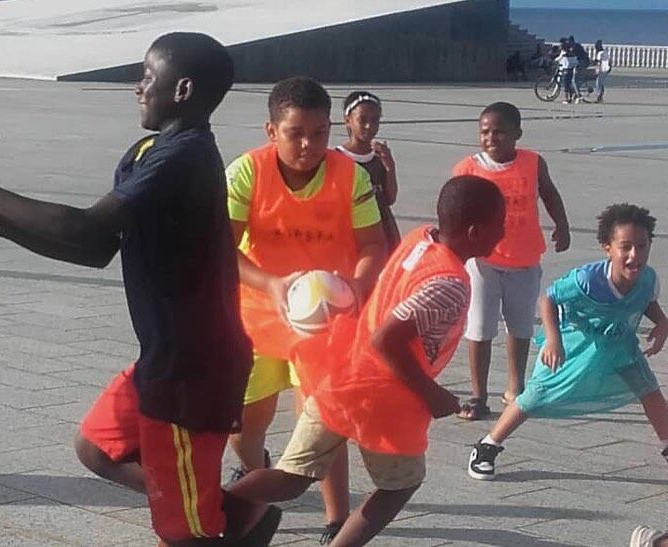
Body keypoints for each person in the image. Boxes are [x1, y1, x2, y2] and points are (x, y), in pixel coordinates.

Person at [0, 32, 281, 546]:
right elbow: (94, 247)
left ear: (183, 89)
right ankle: (237, 516)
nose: (138, 87)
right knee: (97, 448)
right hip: (169, 359)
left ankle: (211, 521)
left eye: (149, 77)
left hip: (192, 375)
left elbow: (83, 227)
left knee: (183, 535)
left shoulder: (185, 158)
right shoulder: (153, 150)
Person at [226, 175, 506, 547]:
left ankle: (209, 513)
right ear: (474, 231)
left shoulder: (421, 239)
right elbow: (387, 339)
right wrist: (433, 394)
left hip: (342, 374)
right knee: (400, 485)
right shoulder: (449, 283)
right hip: (384, 397)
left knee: (292, 478)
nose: (502, 234)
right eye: (499, 226)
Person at [225, 76, 387, 543]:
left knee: (322, 419)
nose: (308, 144)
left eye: (319, 133)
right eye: (295, 133)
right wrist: (270, 283)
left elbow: (373, 244)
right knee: (245, 421)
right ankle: (259, 482)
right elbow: (220, 246)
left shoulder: (349, 175)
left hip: (325, 320)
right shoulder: (246, 172)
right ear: (271, 130)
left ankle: (334, 520)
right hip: (257, 311)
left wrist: (355, 286)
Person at [468, 204, 668, 481]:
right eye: (626, 247)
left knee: (650, 391)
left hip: (619, 344)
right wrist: (553, 340)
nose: (635, 255)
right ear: (607, 248)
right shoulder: (587, 279)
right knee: (535, 396)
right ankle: (487, 445)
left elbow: (647, 301)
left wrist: (662, 322)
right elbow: (548, 299)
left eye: (642, 246)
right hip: (575, 344)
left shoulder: (648, 278)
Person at [452, 102, 570, 420]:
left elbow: (549, 193)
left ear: (517, 133)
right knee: (479, 327)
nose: (492, 137)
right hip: (482, 261)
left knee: (519, 327)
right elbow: (453, 207)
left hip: (524, 259)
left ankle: (515, 389)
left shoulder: (532, 163)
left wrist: (562, 225)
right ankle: (478, 395)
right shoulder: (468, 167)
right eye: (485, 131)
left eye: (500, 131)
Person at [336, 91, 402, 251]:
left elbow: (390, 198)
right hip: (353, 233)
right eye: (362, 120)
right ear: (347, 121)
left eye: (375, 120)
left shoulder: (379, 156)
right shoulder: (337, 158)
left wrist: (390, 166)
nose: (369, 126)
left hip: (384, 230)